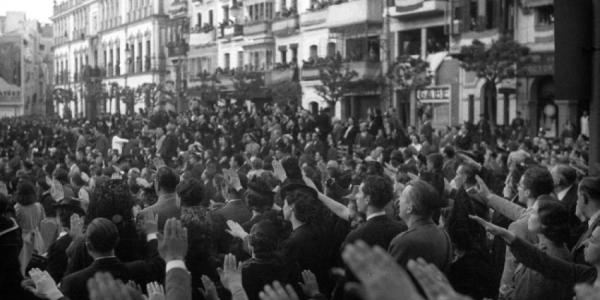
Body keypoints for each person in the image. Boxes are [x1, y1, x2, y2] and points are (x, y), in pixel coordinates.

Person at [389, 179, 452, 272]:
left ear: (409, 208)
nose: (398, 201)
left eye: (402, 197)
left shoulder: (403, 242)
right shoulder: (444, 235)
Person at [14, 180, 45, 275]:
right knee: (37, 263)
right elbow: (42, 220)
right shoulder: (38, 206)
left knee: (23, 264)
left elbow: (16, 225)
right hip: (37, 236)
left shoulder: (17, 208)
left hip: (23, 238)